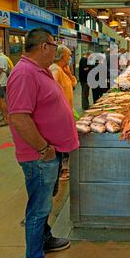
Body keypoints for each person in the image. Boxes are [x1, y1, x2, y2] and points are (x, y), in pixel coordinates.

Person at [7, 28, 79, 258]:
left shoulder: (40, 70)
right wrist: (43, 148)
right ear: (43, 46)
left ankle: (45, 238)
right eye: (53, 44)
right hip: (38, 156)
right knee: (38, 209)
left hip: (50, 152)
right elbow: (18, 117)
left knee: (44, 204)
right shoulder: (24, 73)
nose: (56, 49)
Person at [49, 45, 77, 181]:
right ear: (62, 56)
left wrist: (69, 73)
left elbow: (74, 83)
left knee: (66, 141)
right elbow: (51, 89)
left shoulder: (62, 69)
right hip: (59, 114)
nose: (70, 57)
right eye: (69, 55)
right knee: (62, 143)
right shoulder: (55, 69)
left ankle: (64, 168)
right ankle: (62, 171)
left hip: (66, 111)